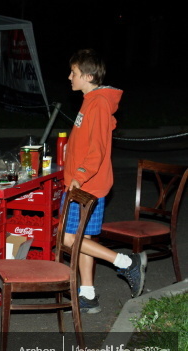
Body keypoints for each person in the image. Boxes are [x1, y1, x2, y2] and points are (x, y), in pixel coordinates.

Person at [62, 48, 146, 314]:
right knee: (83, 237)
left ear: (87, 76)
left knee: (65, 238)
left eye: (73, 73)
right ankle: (88, 294)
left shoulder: (97, 103)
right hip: (89, 183)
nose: (69, 77)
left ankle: (126, 262)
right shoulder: (92, 101)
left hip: (86, 185)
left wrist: (79, 176)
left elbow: (96, 149)